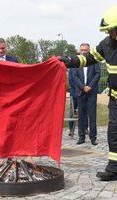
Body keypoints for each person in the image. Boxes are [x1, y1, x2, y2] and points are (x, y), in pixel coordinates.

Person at [59, 5, 117, 181]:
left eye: (112, 30)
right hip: (115, 99)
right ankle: (114, 168)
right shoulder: (107, 44)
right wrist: (69, 61)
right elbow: (90, 58)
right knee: (113, 134)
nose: (110, 34)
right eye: (109, 31)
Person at [72, 43, 100, 145]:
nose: (84, 51)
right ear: (79, 51)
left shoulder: (94, 61)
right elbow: (75, 77)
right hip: (80, 92)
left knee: (92, 115)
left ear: (89, 51)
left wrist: (89, 86)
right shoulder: (76, 62)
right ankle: (81, 137)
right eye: (82, 50)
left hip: (91, 92)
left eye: (86, 50)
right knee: (81, 116)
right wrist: (83, 87)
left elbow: (97, 74)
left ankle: (93, 138)